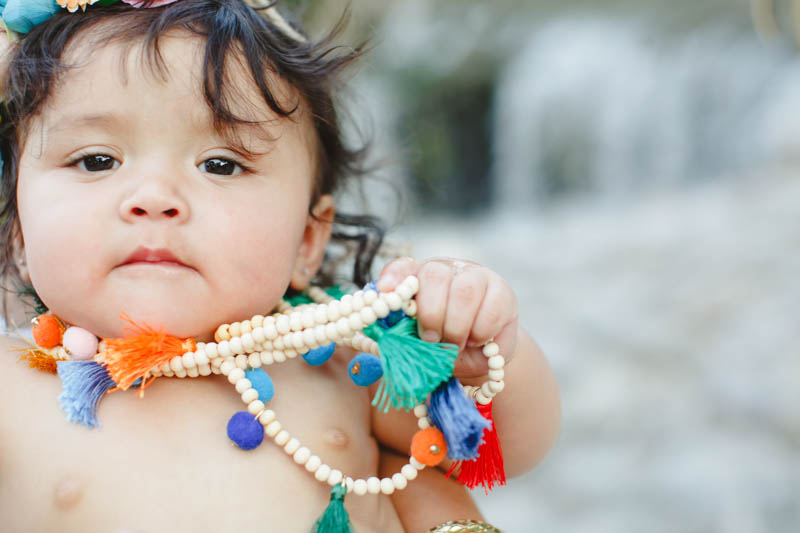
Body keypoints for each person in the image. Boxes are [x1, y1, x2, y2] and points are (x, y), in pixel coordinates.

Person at [0, 1, 561, 532]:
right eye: (96, 160)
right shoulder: (11, 388)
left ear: (307, 240)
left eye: (220, 164)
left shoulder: (345, 369)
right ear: (19, 230)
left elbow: (507, 446)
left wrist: (474, 352)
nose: (153, 197)